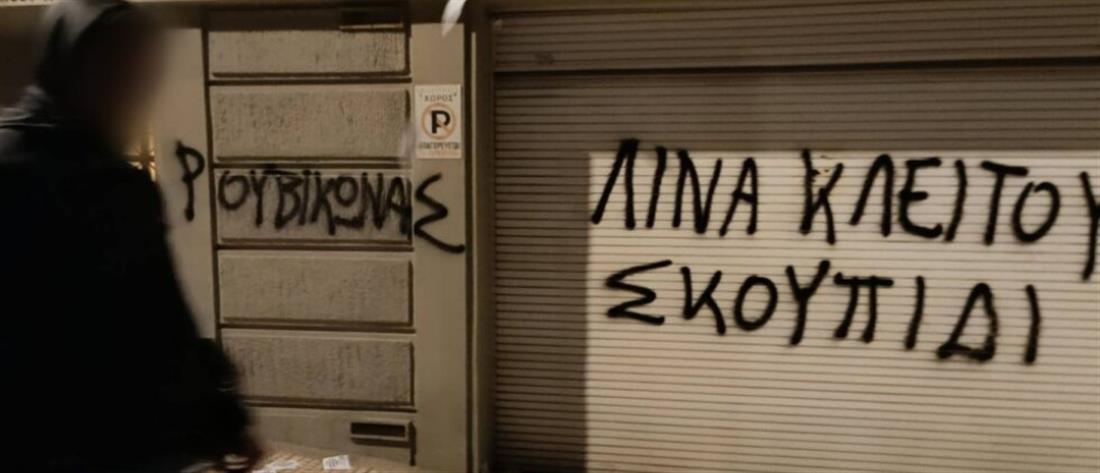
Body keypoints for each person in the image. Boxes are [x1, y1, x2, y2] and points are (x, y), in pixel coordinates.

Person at [0, 1, 260, 471]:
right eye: (122, 76)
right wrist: (225, 421)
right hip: (104, 447)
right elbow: (163, 326)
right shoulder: (113, 191)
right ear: (82, 73)